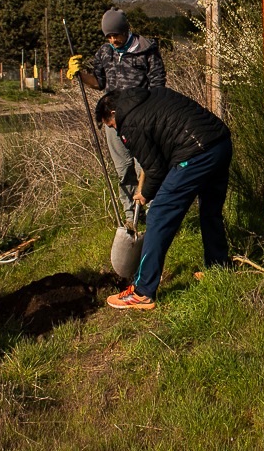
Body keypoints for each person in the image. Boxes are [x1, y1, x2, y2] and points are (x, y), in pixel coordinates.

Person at [95, 86, 232, 310]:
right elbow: (160, 149)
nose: (115, 130)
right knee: (210, 211)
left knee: (158, 215)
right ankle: (219, 267)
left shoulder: (129, 122)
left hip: (195, 153)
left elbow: (155, 168)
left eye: (111, 126)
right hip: (220, 143)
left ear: (112, 113)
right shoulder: (150, 95)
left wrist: (146, 194)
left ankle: (142, 291)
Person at [67, 8, 166, 228]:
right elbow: (99, 83)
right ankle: (131, 217)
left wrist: (152, 118)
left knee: (146, 168)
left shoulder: (146, 50)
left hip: (140, 122)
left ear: (126, 30)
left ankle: (153, 213)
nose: (113, 40)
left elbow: (158, 86)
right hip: (113, 122)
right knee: (124, 171)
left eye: (116, 35)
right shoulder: (104, 52)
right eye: (109, 36)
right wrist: (80, 74)